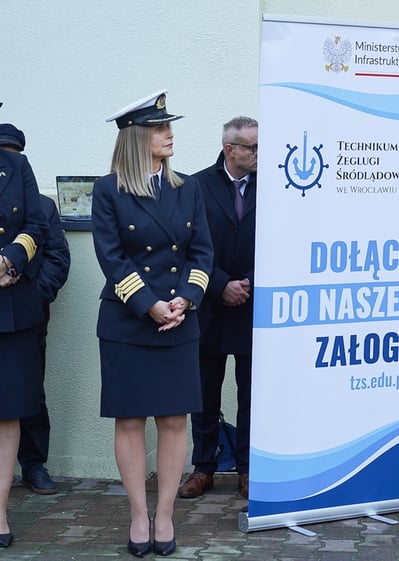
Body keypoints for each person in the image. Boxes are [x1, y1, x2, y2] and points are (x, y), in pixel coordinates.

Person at [92, 90, 212, 557]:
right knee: (129, 421)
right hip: (128, 321)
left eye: (169, 126)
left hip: (179, 319)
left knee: (174, 419)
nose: (169, 133)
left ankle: (165, 515)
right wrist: (149, 305)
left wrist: (185, 299)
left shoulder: (188, 188)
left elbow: (202, 252)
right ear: (136, 136)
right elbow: (111, 257)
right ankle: (138, 515)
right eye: (160, 127)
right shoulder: (109, 190)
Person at [179, 116, 257, 500]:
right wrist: (220, 284)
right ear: (230, 150)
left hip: (254, 305)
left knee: (252, 394)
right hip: (209, 305)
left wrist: (250, 282)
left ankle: (248, 468)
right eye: (253, 147)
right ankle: (203, 467)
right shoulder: (195, 186)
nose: (260, 154)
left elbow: (284, 241)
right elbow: (186, 247)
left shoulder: (277, 186)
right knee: (205, 392)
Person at [0, 124, 71, 496]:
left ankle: (33, 464)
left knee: (28, 394)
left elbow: (58, 258)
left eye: (12, 153)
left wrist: (33, 295)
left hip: (26, 314)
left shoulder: (42, 206)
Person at [0, 103, 48, 549]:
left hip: (9, 307)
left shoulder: (16, 166)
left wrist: (11, 259)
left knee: (8, 410)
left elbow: (36, 224)